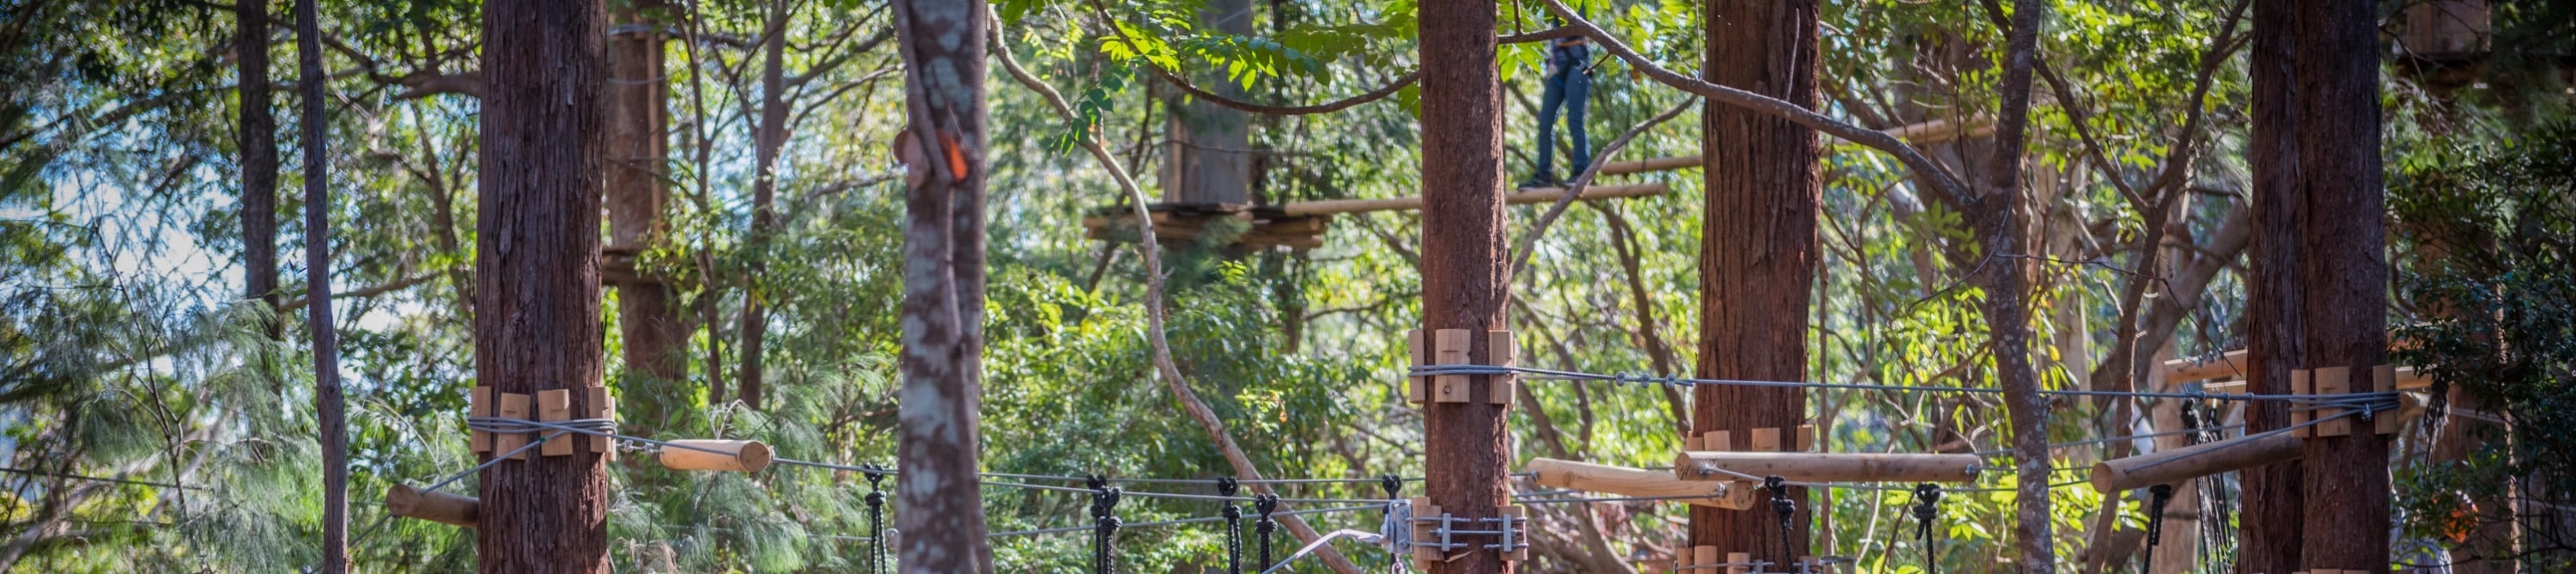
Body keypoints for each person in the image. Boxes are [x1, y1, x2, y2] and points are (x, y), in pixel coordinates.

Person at [1522, 32, 1594, 189]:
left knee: (1575, 119)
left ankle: (1581, 173)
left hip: (1578, 65)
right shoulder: (1552, 11)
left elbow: (1581, 24)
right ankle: (1543, 176)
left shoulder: (1582, 6)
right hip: (1557, 68)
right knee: (1545, 122)